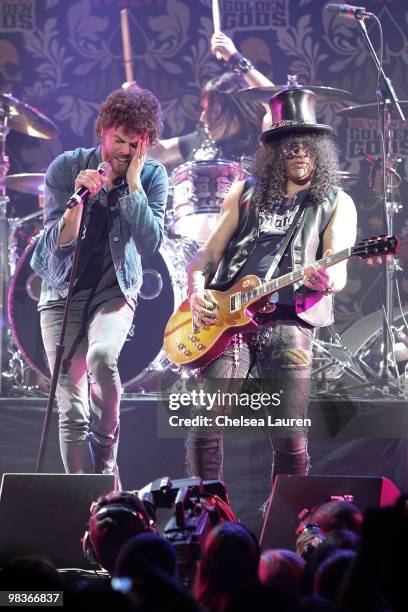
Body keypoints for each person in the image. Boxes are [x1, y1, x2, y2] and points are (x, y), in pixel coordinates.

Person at [185, 87, 358, 483]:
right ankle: (206, 511)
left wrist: (327, 279)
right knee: (204, 424)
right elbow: (204, 258)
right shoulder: (244, 192)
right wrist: (196, 291)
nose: (298, 152)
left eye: (306, 145)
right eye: (289, 145)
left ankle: (287, 522)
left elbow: (340, 265)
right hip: (228, 318)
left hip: (289, 318)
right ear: (275, 150)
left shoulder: (336, 201)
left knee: (290, 435)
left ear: (318, 150)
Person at [30, 89, 168, 485]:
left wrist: (134, 186)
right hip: (61, 292)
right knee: (70, 405)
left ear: (146, 144)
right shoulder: (67, 167)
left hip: (114, 291)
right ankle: (80, 495)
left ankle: (105, 463)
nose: (123, 151)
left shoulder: (153, 176)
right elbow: (58, 243)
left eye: (134, 144)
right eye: (118, 139)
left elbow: (150, 243)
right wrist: (79, 202)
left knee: (103, 358)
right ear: (103, 131)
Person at [150, 32, 273, 166]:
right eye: (204, 110)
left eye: (213, 111)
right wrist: (141, 112)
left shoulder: (262, 140)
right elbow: (160, 152)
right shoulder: (201, 139)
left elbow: (276, 100)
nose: (203, 118)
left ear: (238, 111)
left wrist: (234, 58)